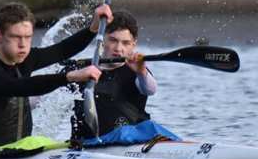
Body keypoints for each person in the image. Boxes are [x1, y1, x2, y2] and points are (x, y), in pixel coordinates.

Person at [0, 2, 112, 154]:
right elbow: (21, 86)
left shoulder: (24, 60)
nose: (23, 45)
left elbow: (62, 51)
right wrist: (70, 77)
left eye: (28, 37)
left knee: (72, 144)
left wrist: (93, 28)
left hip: (17, 150)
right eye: (16, 37)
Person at [74, 10, 180, 144]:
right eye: (113, 40)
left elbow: (150, 90)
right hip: (90, 143)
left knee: (148, 127)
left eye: (126, 43)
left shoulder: (138, 72)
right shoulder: (80, 71)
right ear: (102, 39)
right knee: (123, 132)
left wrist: (141, 71)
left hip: (134, 140)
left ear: (133, 44)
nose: (118, 48)